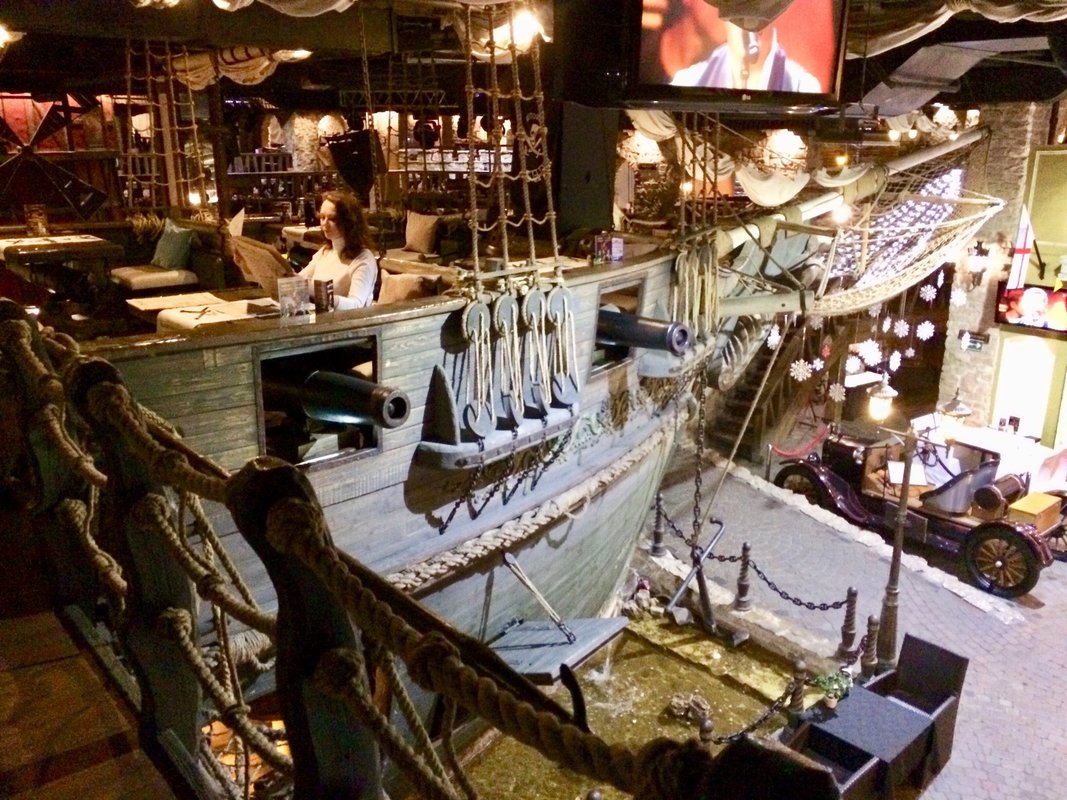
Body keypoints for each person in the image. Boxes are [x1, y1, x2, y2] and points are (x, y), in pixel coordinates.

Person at [667, 0, 821, 93]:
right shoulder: (687, 81)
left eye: (759, 25)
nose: (749, 32)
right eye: (739, 20)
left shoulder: (803, 85)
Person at [297, 190, 377, 310]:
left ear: (349, 221)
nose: (324, 223)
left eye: (332, 219)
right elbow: (299, 280)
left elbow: (356, 305)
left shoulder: (363, 258)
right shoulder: (325, 252)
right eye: (322, 217)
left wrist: (324, 296)